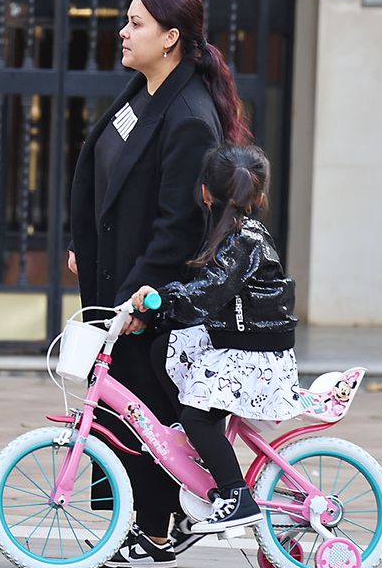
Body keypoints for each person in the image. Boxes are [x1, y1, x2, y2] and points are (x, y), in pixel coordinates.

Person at [66, 0, 251, 568]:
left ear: (171, 38)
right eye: (127, 19)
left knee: (144, 406)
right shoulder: (143, 92)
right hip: (113, 273)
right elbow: (107, 174)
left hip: (148, 291)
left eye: (137, 23)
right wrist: (82, 243)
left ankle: (155, 527)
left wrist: (134, 302)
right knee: (125, 408)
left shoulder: (190, 114)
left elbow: (177, 228)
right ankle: (136, 524)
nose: (124, 31)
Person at [129, 141, 301, 534]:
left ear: (204, 192)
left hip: (257, 355)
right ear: (258, 196)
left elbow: (204, 296)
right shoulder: (233, 234)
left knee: (198, 417)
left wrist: (156, 300)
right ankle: (197, 443)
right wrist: (156, 314)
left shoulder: (245, 241)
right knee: (164, 349)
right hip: (239, 343)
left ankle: (235, 495)